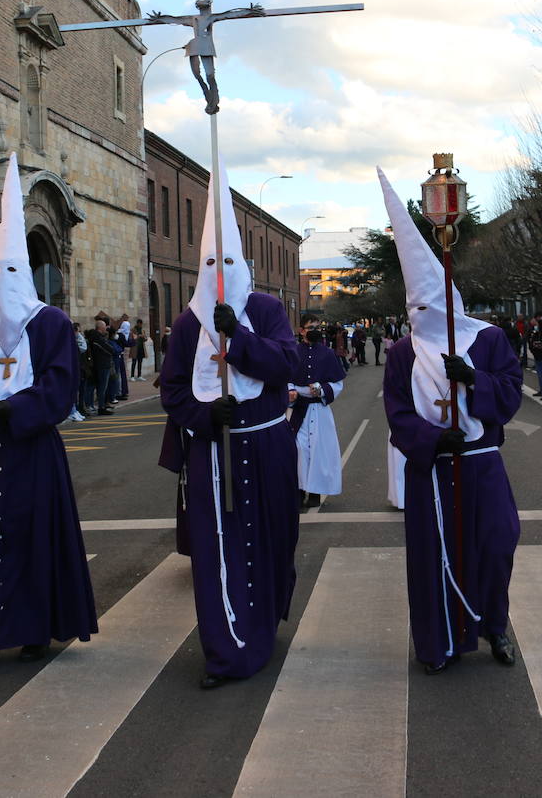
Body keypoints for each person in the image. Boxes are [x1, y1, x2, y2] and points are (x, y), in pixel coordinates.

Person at [0, 154, 96, 675]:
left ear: (25, 274)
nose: (3, 280)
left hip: (32, 450)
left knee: (34, 540)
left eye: (13, 271)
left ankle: (34, 630)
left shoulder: (50, 323)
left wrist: (10, 408)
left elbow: (59, 385)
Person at [158, 165, 299, 690]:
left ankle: (261, 628)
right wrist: (201, 415)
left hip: (265, 447)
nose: (220, 272)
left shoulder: (264, 309)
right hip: (212, 454)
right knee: (217, 549)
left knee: (269, 542)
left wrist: (237, 336)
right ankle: (224, 650)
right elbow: (172, 389)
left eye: (228, 262)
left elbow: (284, 364)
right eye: (210, 262)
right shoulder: (186, 322)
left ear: (244, 265)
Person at [379, 170, 521, 676]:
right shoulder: (400, 353)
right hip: (433, 471)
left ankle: (495, 625)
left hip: (482, 465)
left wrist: (476, 379)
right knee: (433, 556)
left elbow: (510, 395)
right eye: (413, 307)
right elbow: (396, 413)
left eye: (430, 305)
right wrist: (436, 438)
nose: (422, 314)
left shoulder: (486, 340)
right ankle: (438, 641)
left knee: (496, 543)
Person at [291, 328, 346, 511]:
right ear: (302, 330)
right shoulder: (293, 351)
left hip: (319, 411)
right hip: (297, 410)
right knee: (298, 450)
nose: (314, 330)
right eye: (310, 326)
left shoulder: (328, 353)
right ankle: (298, 493)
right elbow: (285, 378)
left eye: (316, 325)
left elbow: (337, 383)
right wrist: (290, 392)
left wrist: (322, 390)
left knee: (317, 451)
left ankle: (314, 493)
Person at [84, 313, 114, 415]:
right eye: (105, 327)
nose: (106, 329)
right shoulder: (98, 338)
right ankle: (100, 407)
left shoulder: (96, 337)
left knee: (96, 387)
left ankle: (95, 405)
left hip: (98, 365)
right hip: (101, 365)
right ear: (100, 328)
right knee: (101, 387)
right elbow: (109, 349)